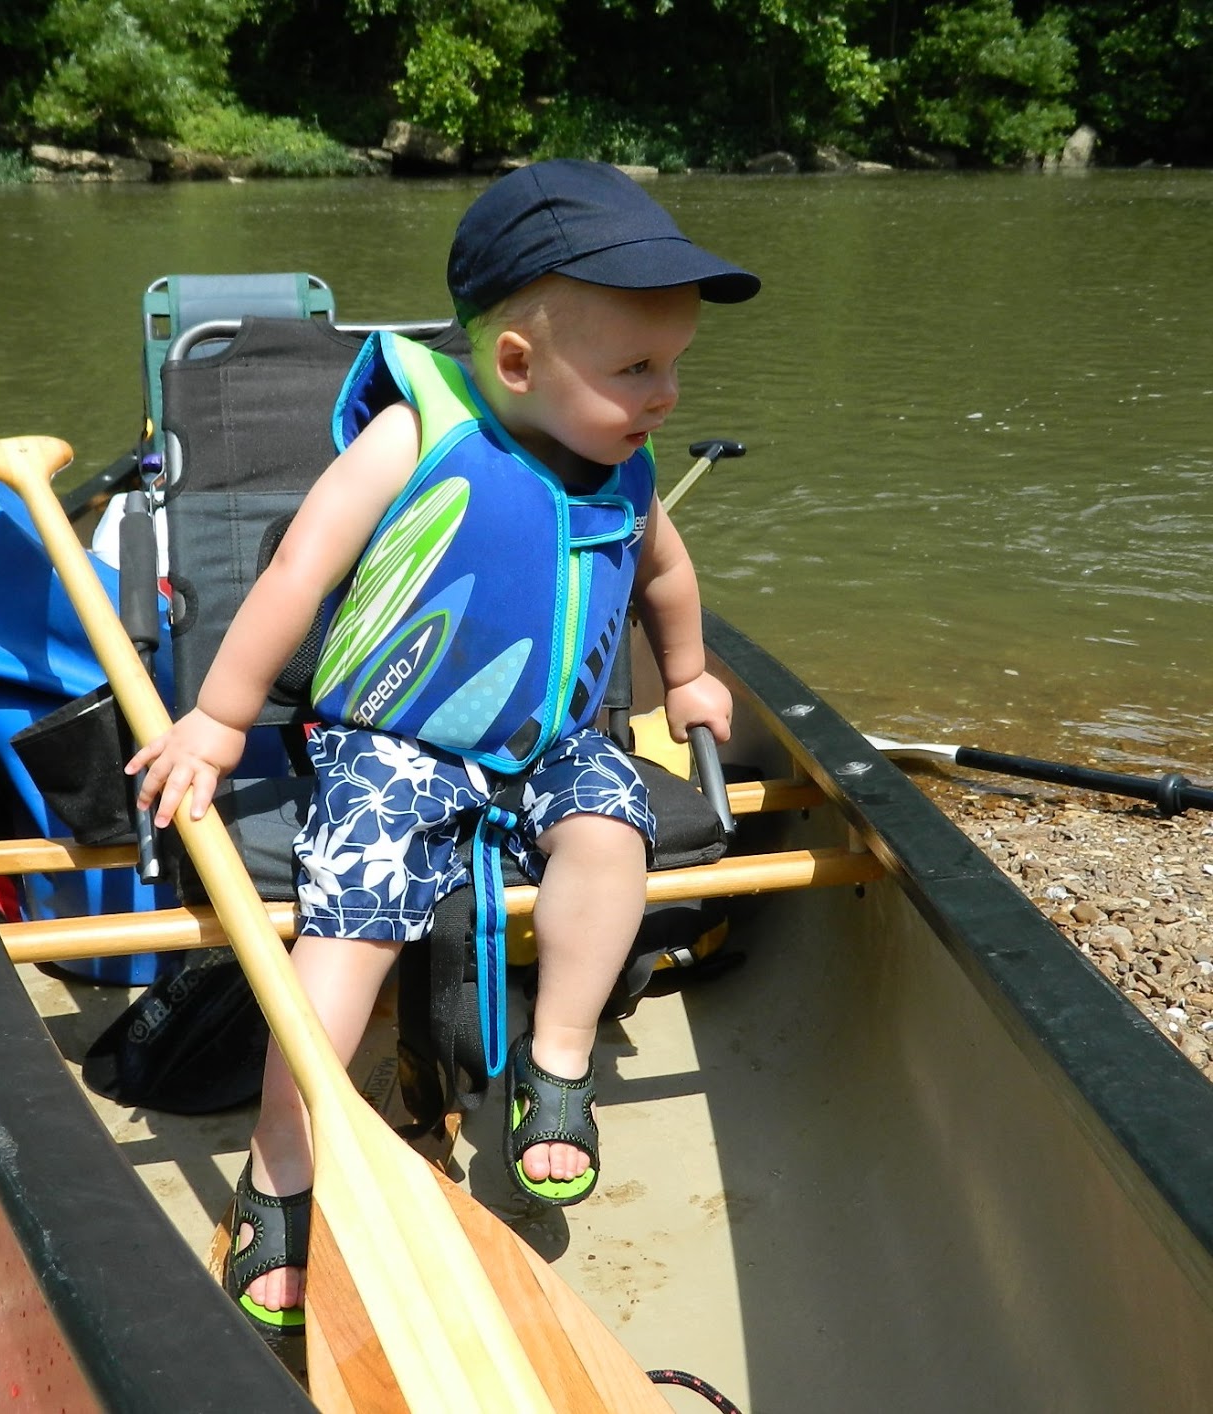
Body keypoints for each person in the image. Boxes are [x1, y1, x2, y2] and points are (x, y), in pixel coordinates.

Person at [128, 158, 759, 1335]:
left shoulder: (624, 460)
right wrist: (216, 717)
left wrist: (685, 674)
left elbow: (665, 572)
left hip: (550, 737)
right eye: (637, 369)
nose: (665, 395)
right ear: (516, 362)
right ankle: (282, 1168)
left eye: (673, 366)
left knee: (610, 833)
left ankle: (552, 1064)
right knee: (345, 935)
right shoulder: (414, 432)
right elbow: (296, 572)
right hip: (393, 739)